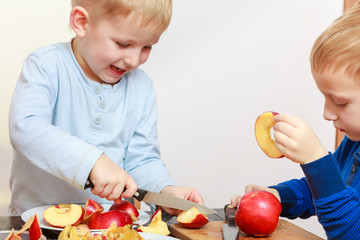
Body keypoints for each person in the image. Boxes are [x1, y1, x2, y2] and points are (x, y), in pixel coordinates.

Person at [8, 0, 204, 216]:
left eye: (147, 46)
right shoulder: (45, 66)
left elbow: (142, 160)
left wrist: (165, 191)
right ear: (82, 23)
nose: (134, 60)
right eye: (123, 44)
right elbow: (26, 128)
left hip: (108, 224)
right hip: (33, 220)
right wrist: (92, 162)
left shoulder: (142, 88)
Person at [231, 2, 360, 240]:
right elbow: (325, 192)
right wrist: (279, 196)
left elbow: (350, 233)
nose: (327, 114)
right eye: (324, 98)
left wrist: (316, 160)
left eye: (340, 102)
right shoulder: (354, 142)